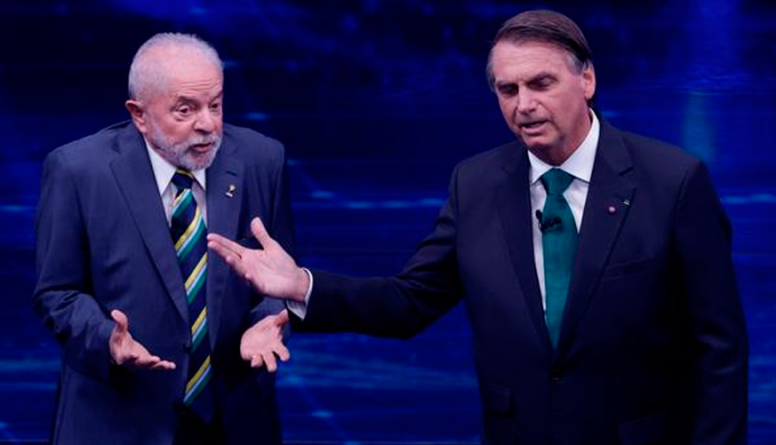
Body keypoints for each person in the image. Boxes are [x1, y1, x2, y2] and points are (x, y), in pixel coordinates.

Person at [209, 10, 748, 445]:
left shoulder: (672, 181)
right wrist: (302, 286)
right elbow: (409, 301)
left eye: (541, 83)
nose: (525, 105)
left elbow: (719, 348)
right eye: (508, 90)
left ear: (587, 79)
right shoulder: (477, 184)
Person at [33, 33, 291, 444]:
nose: (207, 124)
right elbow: (57, 292)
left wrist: (267, 321)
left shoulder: (262, 160)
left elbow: (281, 279)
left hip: (235, 420)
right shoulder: (78, 171)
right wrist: (105, 338)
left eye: (215, 105)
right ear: (139, 114)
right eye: (185, 110)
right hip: (117, 419)